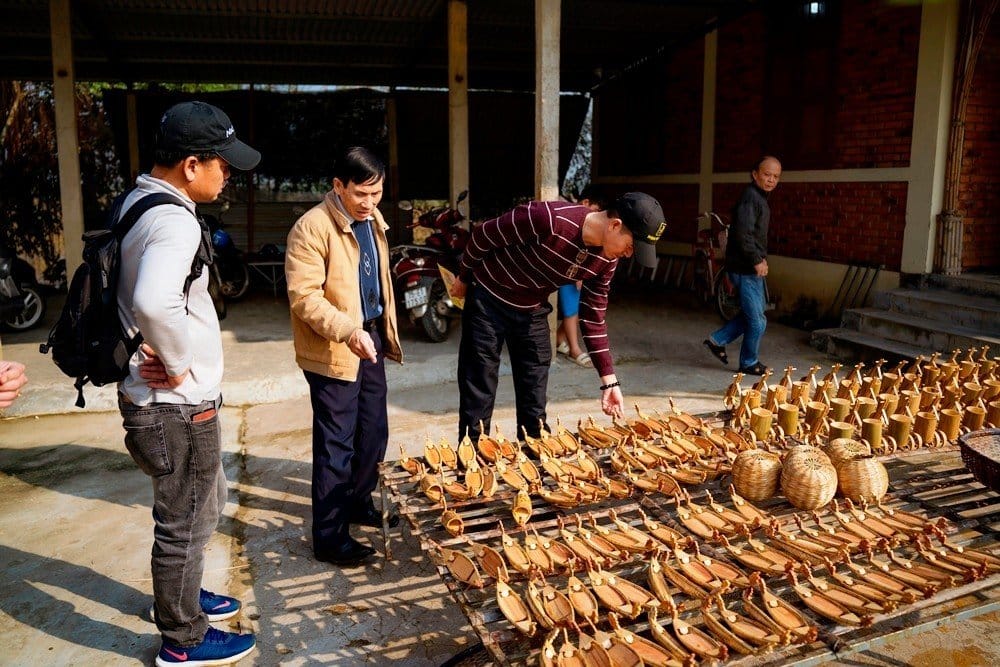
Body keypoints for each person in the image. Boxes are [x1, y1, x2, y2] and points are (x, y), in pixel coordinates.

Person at [116, 101, 260, 667]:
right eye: (222, 164)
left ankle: (183, 594)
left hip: (159, 402)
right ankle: (184, 639)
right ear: (192, 165)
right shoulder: (174, 218)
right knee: (185, 516)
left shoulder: (140, 201)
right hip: (175, 405)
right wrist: (178, 364)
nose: (228, 176)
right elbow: (154, 300)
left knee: (201, 503)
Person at [450, 192, 666, 444]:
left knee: (535, 395)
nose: (629, 254)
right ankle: (472, 458)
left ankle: (535, 455)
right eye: (631, 246)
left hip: (532, 308)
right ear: (615, 225)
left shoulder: (606, 259)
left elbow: (593, 315)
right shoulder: (548, 219)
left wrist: (609, 381)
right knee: (479, 389)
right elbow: (483, 236)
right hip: (489, 300)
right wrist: (463, 278)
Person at [285, 147, 403, 568]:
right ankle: (330, 538)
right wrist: (348, 330)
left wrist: (372, 330)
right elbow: (304, 297)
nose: (370, 203)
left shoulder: (373, 221)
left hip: (368, 336)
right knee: (336, 442)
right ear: (338, 186)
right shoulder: (311, 229)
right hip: (334, 344)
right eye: (361, 194)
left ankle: (358, 502)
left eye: (378, 193)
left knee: (373, 431)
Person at [703, 155, 782, 376]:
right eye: (767, 174)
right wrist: (756, 260)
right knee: (758, 322)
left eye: (776, 176)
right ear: (755, 174)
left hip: (747, 267)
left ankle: (717, 340)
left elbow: (753, 236)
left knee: (753, 317)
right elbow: (742, 234)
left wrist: (761, 257)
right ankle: (749, 362)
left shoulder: (759, 198)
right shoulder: (751, 198)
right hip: (745, 269)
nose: (771, 180)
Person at [555, 186, 608, 368]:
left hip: (578, 271)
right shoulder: (569, 218)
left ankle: (559, 337)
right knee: (571, 310)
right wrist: (578, 275)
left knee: (575, 309)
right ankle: (574, 349)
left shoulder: (590, 223)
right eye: (595, 211)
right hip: (568, 272)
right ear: (585, 203)